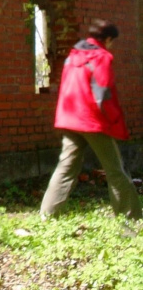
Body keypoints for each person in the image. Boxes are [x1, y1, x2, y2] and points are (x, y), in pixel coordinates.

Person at [41, 19, 141, 220]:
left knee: (65, 167)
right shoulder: (101, 57)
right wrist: (115, 122)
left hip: (69, 118)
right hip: (91, 121)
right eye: (112, 41)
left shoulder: (73, 55)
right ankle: (131, 217)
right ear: (108, 39)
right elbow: (102, 94)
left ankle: (48, 215)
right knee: (115, 170)